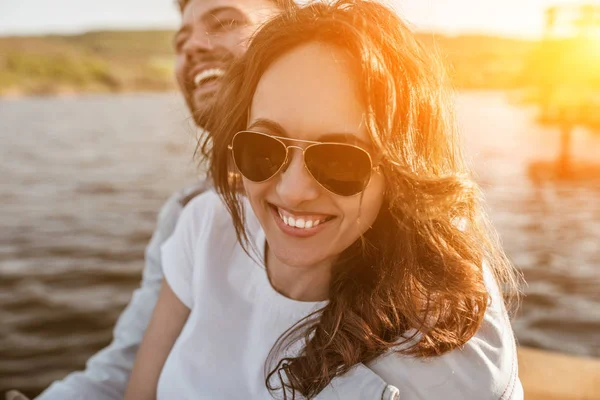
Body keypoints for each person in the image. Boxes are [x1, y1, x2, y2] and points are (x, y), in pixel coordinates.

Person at [124, 1, 524, 399]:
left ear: (402, 170)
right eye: (264, 147)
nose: (294, 191)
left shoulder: (446, 369)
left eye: (340, 160)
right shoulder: (206, 225)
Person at [34, 0, 284, 398]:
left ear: (297, 37)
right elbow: (126, 365)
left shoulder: (379, 209)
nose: (191, 48)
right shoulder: (187, 214)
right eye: (180, 41)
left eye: (224, 22)